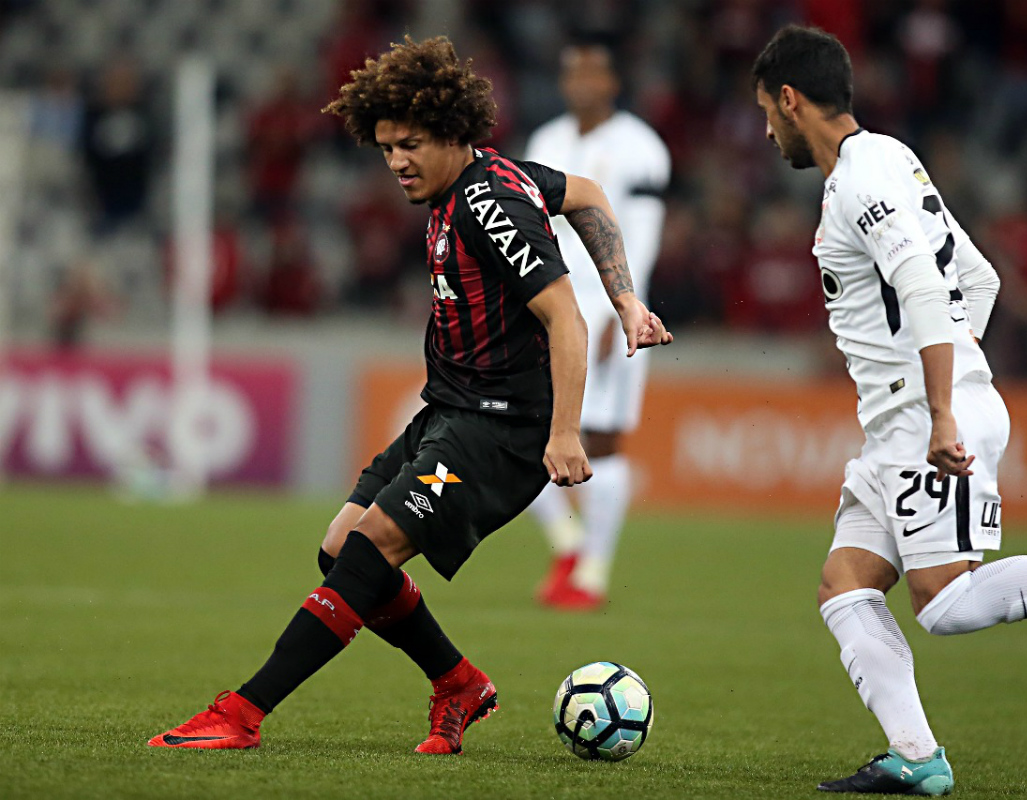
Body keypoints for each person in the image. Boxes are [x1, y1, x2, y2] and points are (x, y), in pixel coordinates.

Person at [147, 36, 671, 755]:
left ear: (454, 134)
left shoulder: (491, 205)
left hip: (501, 431)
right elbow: (587, 196)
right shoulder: (491, 176)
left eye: (411, 144)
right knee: (340, 549)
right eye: (387, 146)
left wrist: (564, 432)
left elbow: (564, 318)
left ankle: (241, 712)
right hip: (452, 410)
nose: (396, 161)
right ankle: (457, 682)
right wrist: (628, 296)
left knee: (370, 551)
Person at [751, 26, 1027, 795]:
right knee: (845, 585)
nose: (765, 132)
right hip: (905, 418)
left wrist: (944, 408)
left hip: (923, 416)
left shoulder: (860, 180)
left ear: (790, 100)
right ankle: (918, 758)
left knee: (945, 602)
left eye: (765, 113)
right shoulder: (891, 158)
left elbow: (922, 282)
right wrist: (959, 373)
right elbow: (979, 280)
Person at [523, 40, 671, 610]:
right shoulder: (545, 141)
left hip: (610, 306)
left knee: (602, 439)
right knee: (526, 430)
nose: (580, 83)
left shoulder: (642, 149)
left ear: (613, 82)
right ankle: (569, 543)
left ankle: (593, 573)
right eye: (572, 73)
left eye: (592, 73)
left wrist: (623, 308)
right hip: (550, 299)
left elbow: (644, 237)